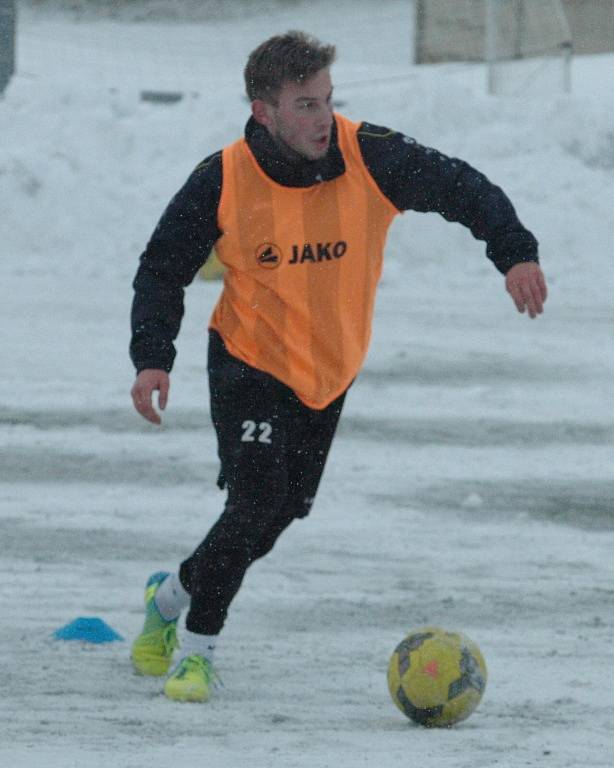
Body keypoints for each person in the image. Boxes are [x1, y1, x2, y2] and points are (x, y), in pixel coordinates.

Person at [129, 31, 547, 703]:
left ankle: (172, 594)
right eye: (303, 105)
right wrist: (153, 358)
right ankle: (197, 651)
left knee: (276, 517)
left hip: (329, 370)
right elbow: (161, 269)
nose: (323, 118)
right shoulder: (224, 178)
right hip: (248, 360)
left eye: (326, 99)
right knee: (255, 502)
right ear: (264, 112)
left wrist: (514, 250)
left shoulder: (371, 155)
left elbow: (462, 186)